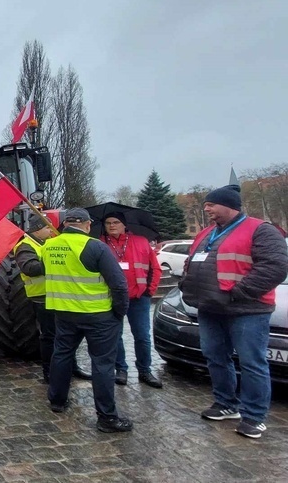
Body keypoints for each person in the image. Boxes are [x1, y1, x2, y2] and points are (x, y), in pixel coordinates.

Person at [181, 185, 288, 439]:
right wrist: (185, 283)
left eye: (211, 205)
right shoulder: (207, 233)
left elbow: (274, 268)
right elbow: (191, 261)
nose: (206, 209)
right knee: (215, 356)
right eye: (205, 205)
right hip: (210, 307)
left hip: (247, 309)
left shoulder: (261, 230)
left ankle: (254, 416)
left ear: (230, 206)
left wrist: (238, 293)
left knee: (252, 363)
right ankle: (226, 404)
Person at [43, 209, 132, 433]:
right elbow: (119, 284)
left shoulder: (48, 246)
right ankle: (107, 418)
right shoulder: (96, 247)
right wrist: (119, 312)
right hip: (98, 314)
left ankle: (57, 400)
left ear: (64, 224)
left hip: (64, 312)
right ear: (87, 224)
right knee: (102, 364)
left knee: (61, 354)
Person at [14, 214, 91, 383]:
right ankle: (49, 372)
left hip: (59, 294)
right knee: (49, 336)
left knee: (67, 335)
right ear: (37, 229)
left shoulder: (47, 244)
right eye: (47, 227)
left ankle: (72, 367)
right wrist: (55, 263)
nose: (51, 230)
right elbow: (29, 268)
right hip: (42, 298)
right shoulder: (25, 246)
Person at [100, 212, 163, 388]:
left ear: (124, 224)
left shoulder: (140, 242)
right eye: (108, 223)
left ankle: (144, 370)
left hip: (138, 298)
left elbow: (155, 269)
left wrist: (149, 291)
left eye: (116, 222)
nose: (112, 226)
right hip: (112, 298)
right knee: (115, 336)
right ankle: (121, 369)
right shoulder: (100, 244)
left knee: (142, 336)